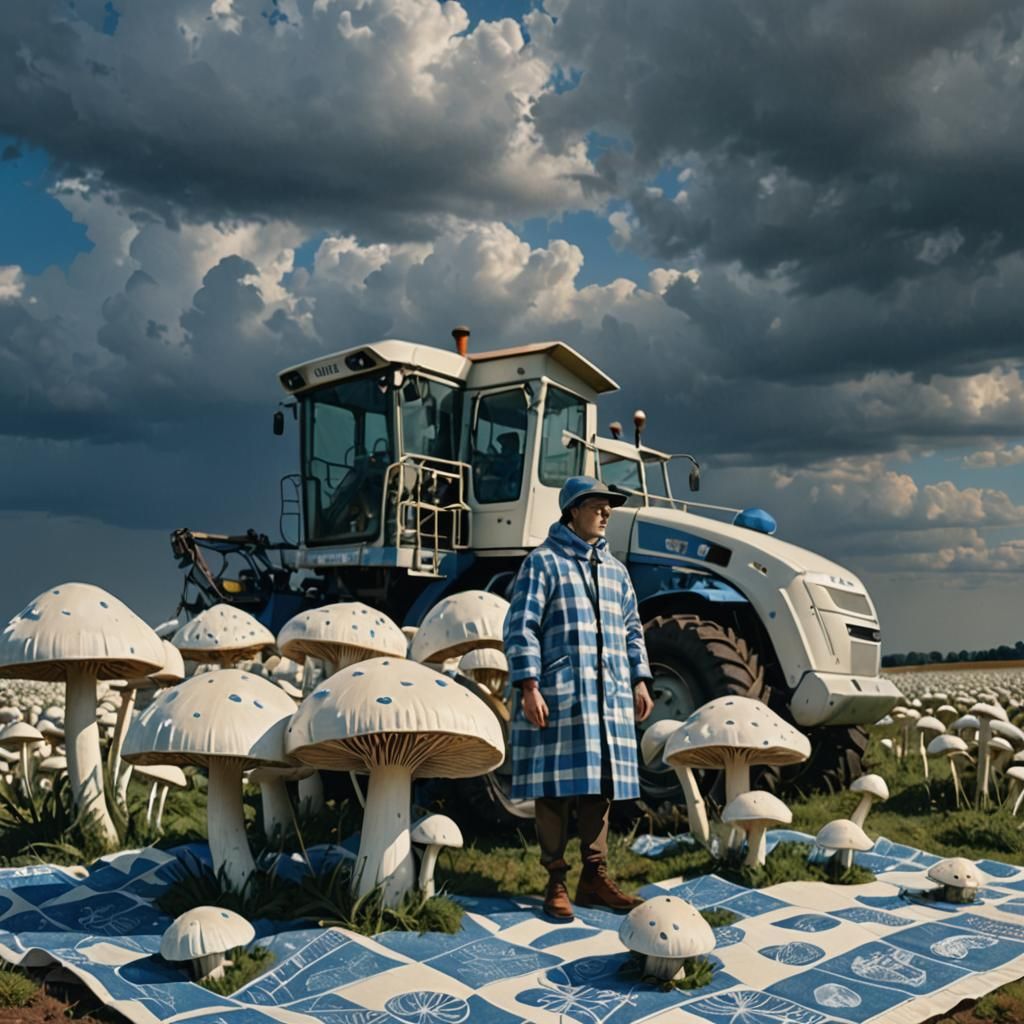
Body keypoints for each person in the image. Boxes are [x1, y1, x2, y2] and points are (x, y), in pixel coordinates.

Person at [503, 476, 655, 921]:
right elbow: (522, 625)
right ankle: (555, 879)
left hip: (609, 695)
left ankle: (594, 878)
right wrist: (529, 684)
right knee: (554, 789)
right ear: (572, 510)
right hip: (559, 693)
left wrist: (639, 680)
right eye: (597, 505)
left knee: (600, 785)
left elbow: (632, 629)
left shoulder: (615, 571)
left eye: (609, 507)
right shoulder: (543, 562)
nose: (606, 513)